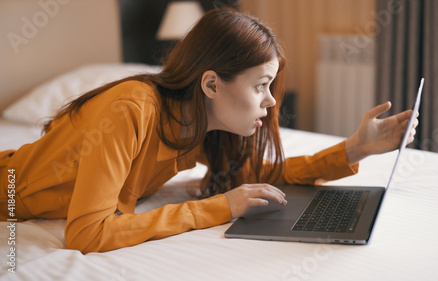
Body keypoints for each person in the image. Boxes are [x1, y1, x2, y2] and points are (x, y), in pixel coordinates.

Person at [0, 7, 417, 254]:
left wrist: (354, 150)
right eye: (260, 86)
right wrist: (220, 207)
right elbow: (87, 234)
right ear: (212, 84)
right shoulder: (129, 109)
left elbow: (262, 175)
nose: (271, 101)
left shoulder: (199, 123)